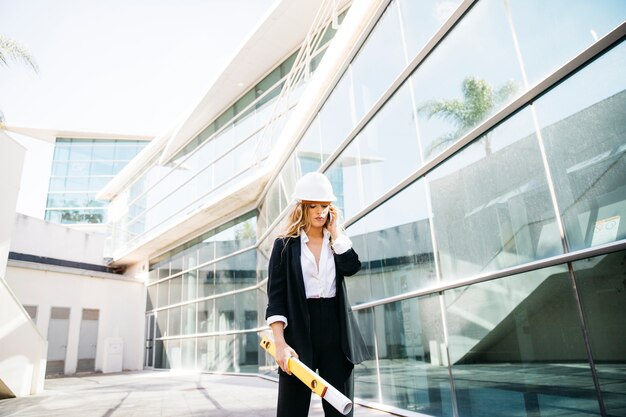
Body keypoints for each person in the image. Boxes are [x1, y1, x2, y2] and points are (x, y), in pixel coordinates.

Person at [265, 172, 370, 417]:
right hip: (298, 332)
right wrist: (280, 344)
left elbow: (352, 267)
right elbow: (276, 298)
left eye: (324, 206)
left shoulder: (337, 242)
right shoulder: (284, 246)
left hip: (335, 332)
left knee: (340, 410)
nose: (320, 211)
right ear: (302, 208)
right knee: (292, 410)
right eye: (313, 206)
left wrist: (336, 235)